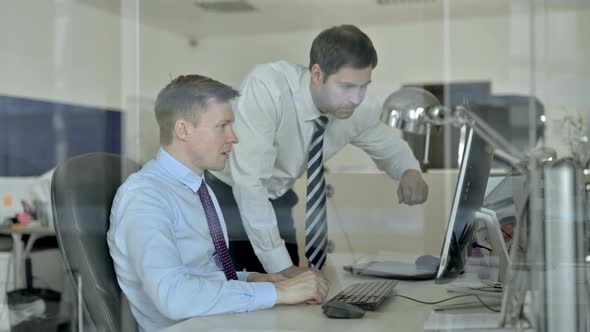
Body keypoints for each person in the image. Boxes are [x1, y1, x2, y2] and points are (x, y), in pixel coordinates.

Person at [107, 75, 329, 332]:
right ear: (183, 130)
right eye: (222, 126)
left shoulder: (199, 188)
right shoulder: (145, 196)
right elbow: (174, 297)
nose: (233, 137)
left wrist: (255, 279)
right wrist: (278, 291)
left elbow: (199, 276)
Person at [207, 24, 429, 277]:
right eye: (346, 86)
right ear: (316, 74)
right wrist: (283, 269)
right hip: (225, 195)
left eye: (363, 86)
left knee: (286, 291)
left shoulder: (360, 108)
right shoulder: (268, 88)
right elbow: (249, 183)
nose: (356, 98)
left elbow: (387, 145)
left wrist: (409, 170)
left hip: (277, 196)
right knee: (237, 288)